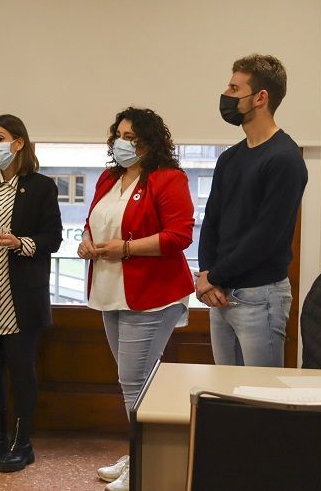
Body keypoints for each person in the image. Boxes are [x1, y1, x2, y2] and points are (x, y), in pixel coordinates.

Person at [78, 107, 194, 491]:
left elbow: (179, 236)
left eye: (131, 137)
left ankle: (144, 463)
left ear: (149, 141)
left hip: (152, 295)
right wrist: (86, 242)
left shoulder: (168, 178)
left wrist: (126, 248)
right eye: (119, 135)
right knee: (134, 381)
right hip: (109, 291)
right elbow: (93, 222)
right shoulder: (109, 178)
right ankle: (139, 452)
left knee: (134, 381)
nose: (122, 143)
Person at [0, 114, 62, 473]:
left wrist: (20, 243)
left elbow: (53, 239)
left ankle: (23, 444)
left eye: (0, 137)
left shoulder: (41, 186)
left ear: (18, 143)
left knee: (21, 371)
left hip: (21, 296)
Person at [196, 54, 308, 367]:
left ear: (261, 98)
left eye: (234, 88)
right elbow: (211, 221)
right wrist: (207, 275)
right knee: (225, 391)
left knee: (260, 393)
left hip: (260, 298)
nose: (226, 95)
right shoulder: (229, 158)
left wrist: (212, 276)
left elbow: (265, 237)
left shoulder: (285, 159)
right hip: (220, 292)